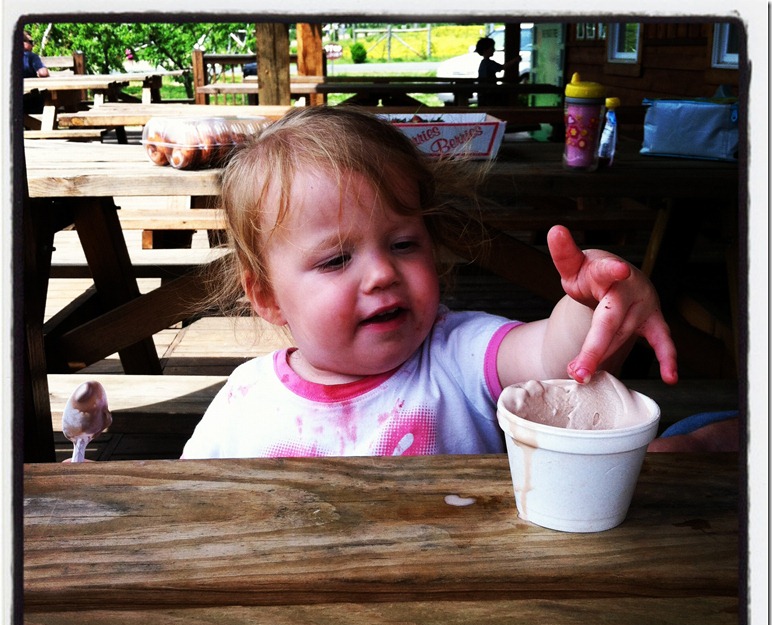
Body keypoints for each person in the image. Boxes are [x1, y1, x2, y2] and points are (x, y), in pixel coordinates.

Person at [181, 105, 678, 459]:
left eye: (403, 244)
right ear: (268, 296)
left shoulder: (458, 355)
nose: (382, 274)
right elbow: (190, 499)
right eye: (336, 260)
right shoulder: (244, 401)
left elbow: (553, 358)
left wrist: (592, 301)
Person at [474, 36, 520, 107]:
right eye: (492, 48)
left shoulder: (483, 63)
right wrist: (515, 60)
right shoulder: (488, 63)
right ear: (485, 50)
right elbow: (502, 67)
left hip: (484, 93)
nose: (494, 50)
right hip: (489, 93)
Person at [22, 30, 49, 115]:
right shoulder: (30, 56)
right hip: (29, 101)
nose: (32, 45)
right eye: (30, 42)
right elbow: (43, 73)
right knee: (47, 97)